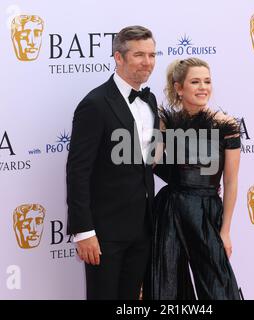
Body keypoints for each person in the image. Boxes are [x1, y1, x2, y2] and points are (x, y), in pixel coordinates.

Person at [66, 25, 159, 300]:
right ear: (119, 58)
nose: (148, 62)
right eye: (139, 55)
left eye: (152, 55)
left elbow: (146, 160)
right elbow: (78, 172)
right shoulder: (95, 104)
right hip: (104, 232)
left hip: (142, 227)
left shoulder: (150, 100)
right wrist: (84, 231)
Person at [144, 58, 241, 300]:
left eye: (207, 81)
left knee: (217, 285)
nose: (203, 87)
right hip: (171, 210)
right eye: (195, 81)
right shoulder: (167, 123)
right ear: (179, 88)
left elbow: (230, 182)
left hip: (206, 211)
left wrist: (226, 230)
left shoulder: (226, 125)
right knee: (167, 283)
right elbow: (153, 162)